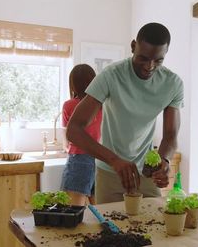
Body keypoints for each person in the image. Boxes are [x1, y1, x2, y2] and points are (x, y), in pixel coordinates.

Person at [66, 22, 184, 204]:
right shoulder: (111, 75)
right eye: (143, 58)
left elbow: (170, 135)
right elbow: (74, 129)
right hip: (110, 172)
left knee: (155, 229)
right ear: (133, 47)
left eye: (158, 60)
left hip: (146, 172)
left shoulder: (173, 84)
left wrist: (164, 161)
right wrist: (115, 161)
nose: (149, 66)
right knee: (111, 230)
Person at [60, 64, 103, 206]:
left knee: (72, 210)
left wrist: (67, 148)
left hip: (79, 158)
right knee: (100, 211)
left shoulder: (69, 105)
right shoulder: (102, 105)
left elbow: (68, 134)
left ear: (73, 85)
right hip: (100, 158)